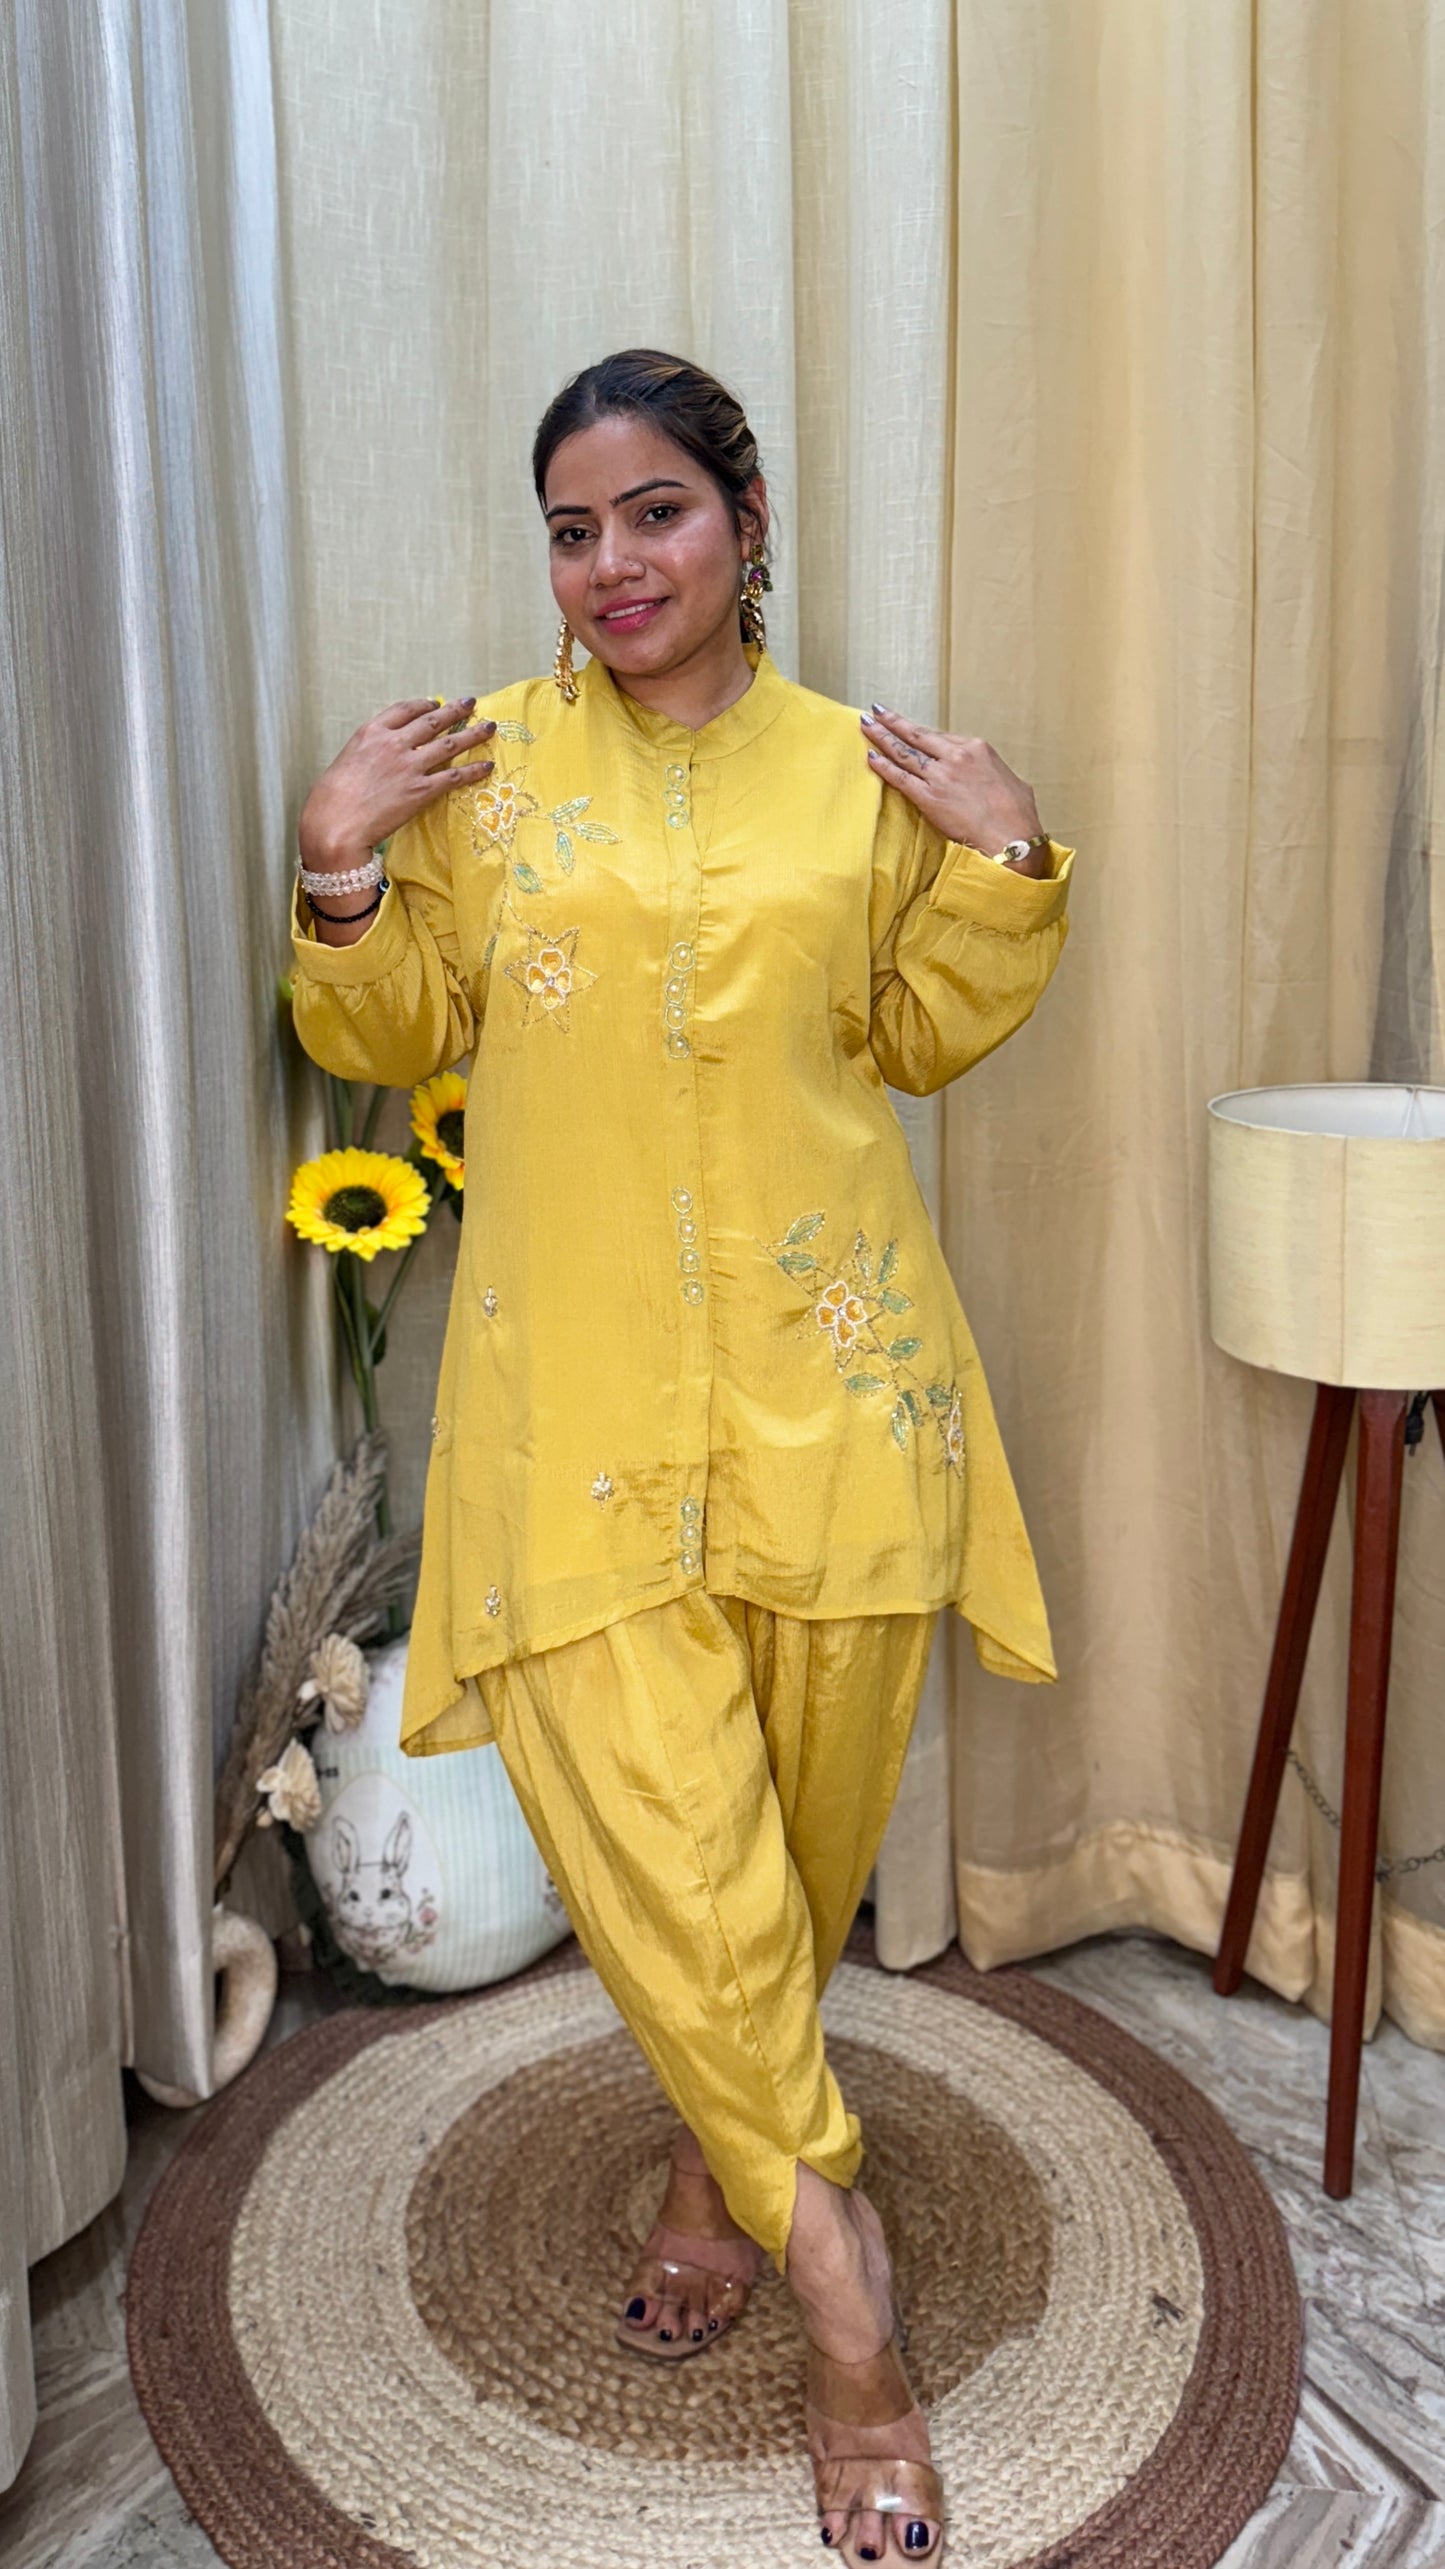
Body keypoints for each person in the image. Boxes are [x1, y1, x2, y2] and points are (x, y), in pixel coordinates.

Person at [289, 348, 1073, 2565]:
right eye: (572, 528)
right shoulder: (483, 778)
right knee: (669, 1852)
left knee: (780, 1877)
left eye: (656, 513)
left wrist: (1006, 853)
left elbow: (917, 1029)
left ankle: (716, 2174)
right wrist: (342, 862)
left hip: (843, 1402)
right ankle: (847, 2300)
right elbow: (392, 1027)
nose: (611, 563)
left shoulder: (852, 773)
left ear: (745, 521)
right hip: (579, 1418)